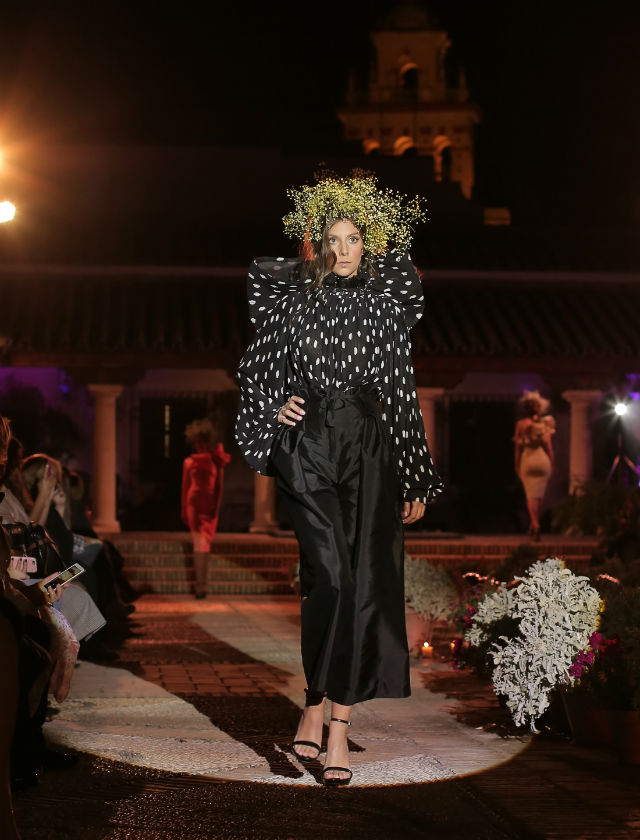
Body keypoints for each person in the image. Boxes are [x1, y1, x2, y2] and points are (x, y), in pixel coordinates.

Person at [235, 171, 443, 785]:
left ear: (369, 245)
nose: (346, 248)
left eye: (356, 239)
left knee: (363, 579)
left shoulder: (384, 308)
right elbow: (255, 371)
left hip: (368, 445)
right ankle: (314, 701)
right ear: (320, 242)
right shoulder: (291, 302)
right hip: (308, 446)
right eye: (335, 237)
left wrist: (415, 475)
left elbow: (401, 393)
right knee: (329, 573)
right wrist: (273, 409)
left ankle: (336, 727)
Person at [181, 419, 231, 599]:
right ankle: (199, 586)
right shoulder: (189, 462)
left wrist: (216, 508)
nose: (200, 445)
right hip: (193, 505)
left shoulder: (216, 460)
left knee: (205, 545)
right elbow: (185, 486)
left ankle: (202, 585)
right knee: (199, 544)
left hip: (209, 506)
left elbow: (219, 486)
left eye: (203, 442)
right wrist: (183, 510)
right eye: (197, 442)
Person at [514, 390, 555, 540]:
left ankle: (535, 524)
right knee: (539, 496)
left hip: (528, 459)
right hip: (542, 460)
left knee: (531, 495)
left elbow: (517, 448)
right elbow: (548, 447)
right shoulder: (545, 423)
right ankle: (534, 524)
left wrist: (517, 465)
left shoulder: (521, 424)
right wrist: (552, 462)